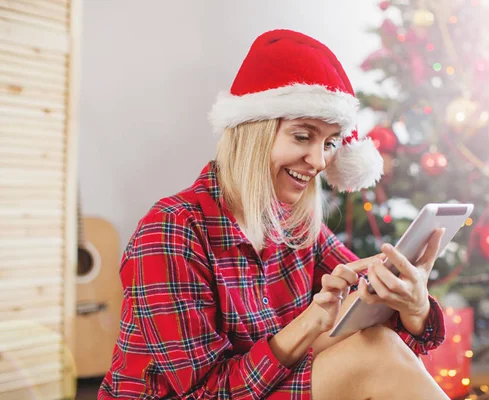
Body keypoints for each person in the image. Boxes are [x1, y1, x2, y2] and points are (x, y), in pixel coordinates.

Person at [99, 29, 449, 400]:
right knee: (372, 356)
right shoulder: (172, 230)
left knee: (376, 340)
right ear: (255, 133)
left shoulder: (297, 225)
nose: (318, 162)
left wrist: (414, 304)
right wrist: (308, 324)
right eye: (302, 136)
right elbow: (204, 394)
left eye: (330, 143)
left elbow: (383, 321)